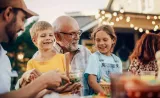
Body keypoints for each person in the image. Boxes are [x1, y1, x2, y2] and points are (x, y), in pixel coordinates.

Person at [0, 0, 69, 98]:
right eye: (23, 19)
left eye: (50, 35)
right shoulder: (31, 62)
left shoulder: (3, 58)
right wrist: (44, 81)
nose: (23, 28)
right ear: (8, 13)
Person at [32, 16, 91, 95]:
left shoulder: (86, 53)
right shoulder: (39, 57)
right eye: (72, 33)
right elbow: (32, 90)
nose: (77, 37)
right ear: (57, 36)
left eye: (78, 32)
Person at [84, 25, 122, 95]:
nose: (101, 43)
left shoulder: (117, 60)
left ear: (113, 40)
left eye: (105, 40)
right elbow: (92, 81)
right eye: (98, 40)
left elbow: (119, 82)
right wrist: (105, 95)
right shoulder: (94, 57)